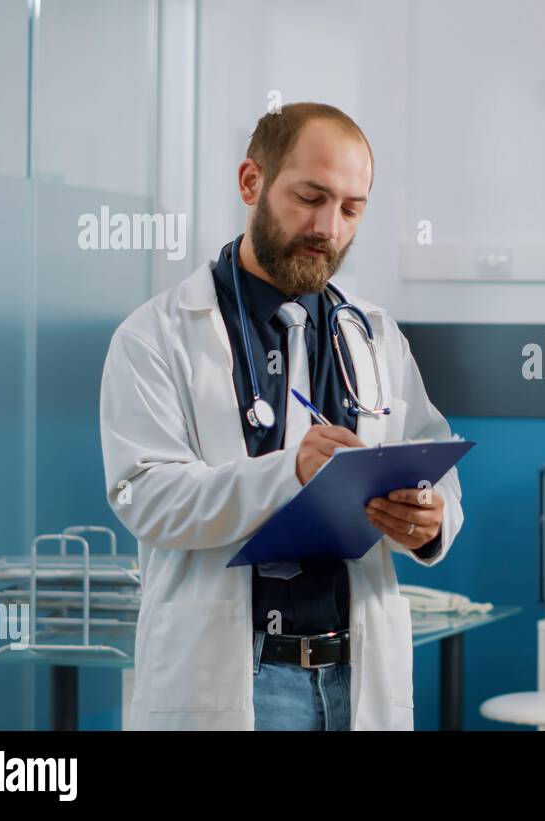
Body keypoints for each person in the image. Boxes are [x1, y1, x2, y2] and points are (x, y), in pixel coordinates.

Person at [100, 102, 463, 730]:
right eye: (310, 197)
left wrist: (429, 519)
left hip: (356, 676)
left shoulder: (374, 334)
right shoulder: (155, 335)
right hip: (237, 678)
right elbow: (145, 496)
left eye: (351, 209)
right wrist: (288, 474)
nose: (328, 226)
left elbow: (434, 460)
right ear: (252, 182)